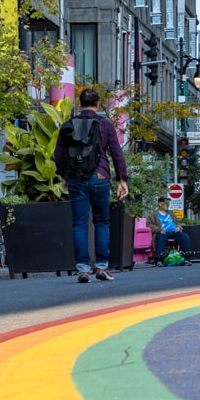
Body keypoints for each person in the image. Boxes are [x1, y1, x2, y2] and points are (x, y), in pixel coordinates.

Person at [65, 87, 129, 282]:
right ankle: (102, 266)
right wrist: (122, 179)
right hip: (100, 177)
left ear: (79, 103)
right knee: (102, 221)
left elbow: (59, 154)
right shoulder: (105, 125)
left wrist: (64, 176)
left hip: (76, 178)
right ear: (98, 104)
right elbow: (116, 153)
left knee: (79, 223)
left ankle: (83, 269)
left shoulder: (69, 124)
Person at [150, 196, 191, 265]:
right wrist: (159, 230)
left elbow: (177, 222)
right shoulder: (153, 215)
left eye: (168, 203)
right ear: (160, 204)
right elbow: (149, 225)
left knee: (185, 237)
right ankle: (159, 260)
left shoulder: (171, 213)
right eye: (166, 203)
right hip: (162, 233)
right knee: (160, 238)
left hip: (174, 232)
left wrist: (178, 227)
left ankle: (185, 259)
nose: (168, 205)